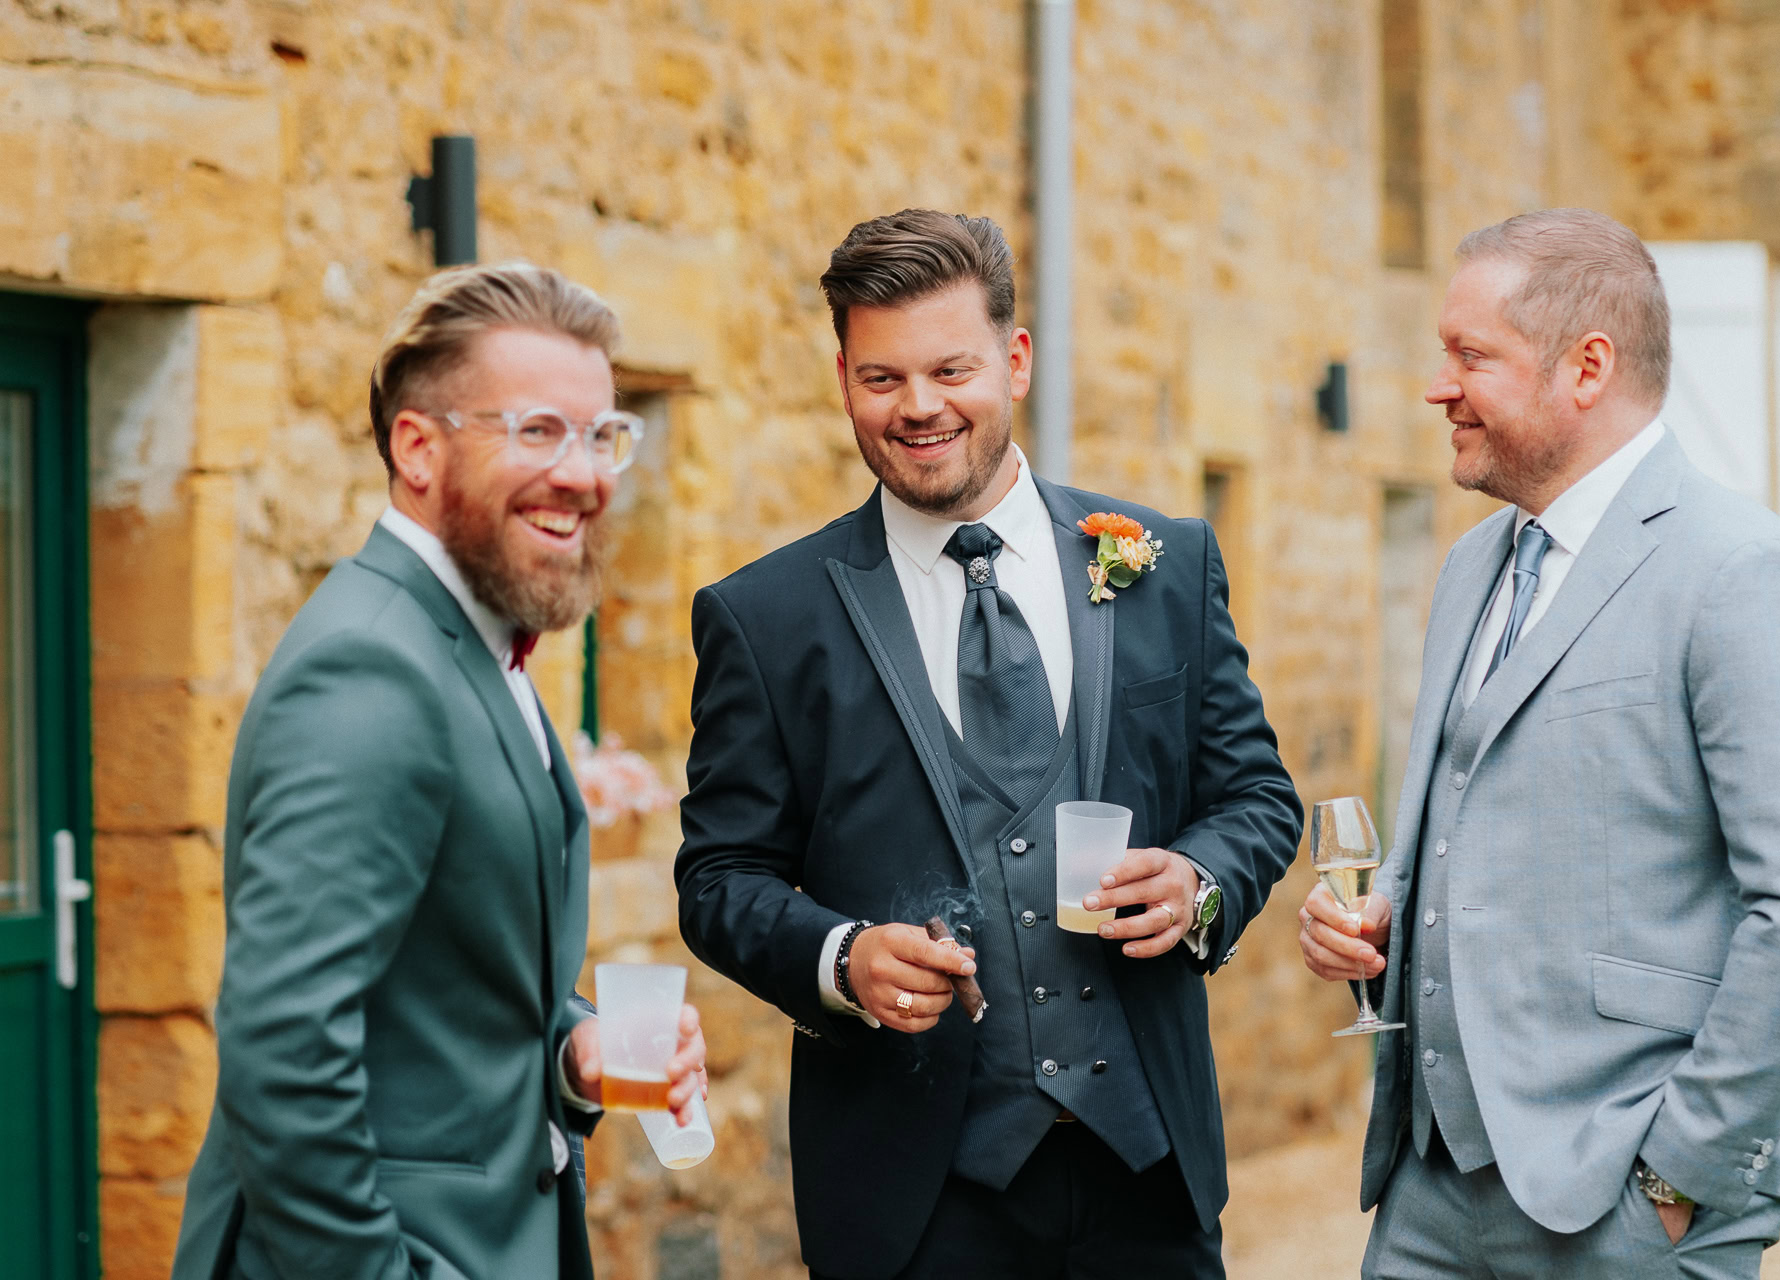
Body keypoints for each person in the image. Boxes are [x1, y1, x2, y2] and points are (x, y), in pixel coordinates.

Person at [674, 208, 1302, 1280]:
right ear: (842, 378)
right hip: (917, 1205)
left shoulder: (1164, 563)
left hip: (1148, 1177)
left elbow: (1257, 796)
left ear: (1013, 361)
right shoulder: (765, 615)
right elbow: (719, 875)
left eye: (949, 369)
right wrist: (841, 955)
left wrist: (1200, 881)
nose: (919, 407)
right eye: (882, 378)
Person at [1297, 208, 1780, 1278]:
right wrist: (1381, 919)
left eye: (1471, 355)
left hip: (1626, 1201)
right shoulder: (1473, 566)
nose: (1440, 385)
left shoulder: (1741, 572)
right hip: (1429, 1189)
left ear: (1588, 366)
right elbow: (1487, 824)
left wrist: (1675, 1179)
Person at [171, 262, 707, 1280]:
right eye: (538, 429)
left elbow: (448, 994)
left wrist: (572, 1052)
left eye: (604, 435)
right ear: (418, 446)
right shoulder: (369, 668)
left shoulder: (467, 640)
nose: (587, 474)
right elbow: (284, 1049)